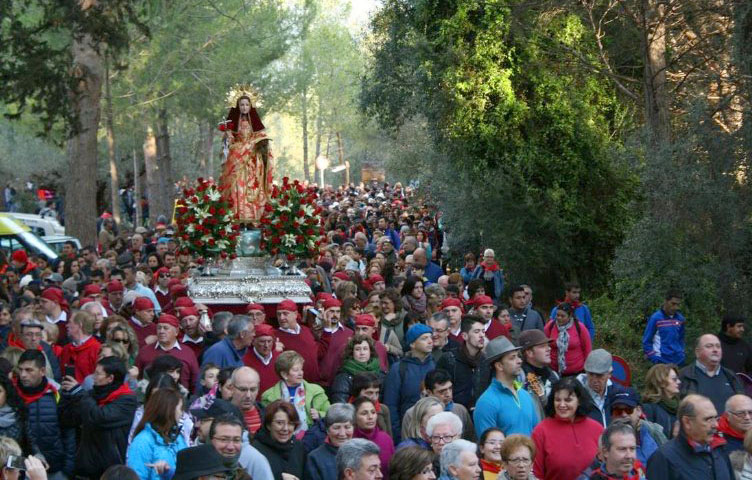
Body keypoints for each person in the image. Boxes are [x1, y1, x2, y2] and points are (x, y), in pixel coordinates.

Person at [59, 356, 138, 479]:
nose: (92, 377)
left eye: (97, 374)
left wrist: (79, 393)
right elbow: (68, 420)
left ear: (110, 378)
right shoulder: (90, 395)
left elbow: (100, 418)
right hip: (86, 466)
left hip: (110, 469)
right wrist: (67, 395)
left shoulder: (127, 400)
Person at [13, 349, 75, 478]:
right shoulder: (12, 395)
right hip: (20, 467)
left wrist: (68, 468)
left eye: (29, 370)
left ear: (42, 371)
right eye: (21, 369)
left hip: (55, 467)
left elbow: (69, 432)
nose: (23, 375)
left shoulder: (56, 393)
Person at [646, 394, 734, 480]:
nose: (716, 425)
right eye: (708, 419)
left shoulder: (719, 450)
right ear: (687, 422)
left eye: (715, 418)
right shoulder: (663, 458)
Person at [531, 377, 603, 480]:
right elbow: (535, 474)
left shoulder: (597, 429)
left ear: (579, 401)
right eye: (558, 400)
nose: (562, 404)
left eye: (568, 400)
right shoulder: (541, 431)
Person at [218, 89, 273, 222]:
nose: (244, 107)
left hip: (252, 162)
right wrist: (226, 136)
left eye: (246, 105)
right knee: (236, 186)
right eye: (241, 105)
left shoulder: (255, 124)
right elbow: (229, 141)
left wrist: (258, 145)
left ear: (250, 106)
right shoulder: (233, 124)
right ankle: (236, 214)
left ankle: (252, 216)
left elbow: (261, 138)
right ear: (238, 106)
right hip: (236, 160)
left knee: (252, 187)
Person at [473, 336, 538, 438]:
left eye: (518, 356)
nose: (519, 361)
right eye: (512, 358)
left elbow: (537, 435)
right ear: (499, 366)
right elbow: (488, 446)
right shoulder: (487, 402)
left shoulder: (525, 395)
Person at [384, 323, 435, 441]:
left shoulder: (435, 365)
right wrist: (398, 437)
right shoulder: (399, 369)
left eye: (430, 337)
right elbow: (391, 405)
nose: (430, 341)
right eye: (424, 338)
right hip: (408, 431)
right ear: (412, 344)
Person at [261, 351, 330, 433]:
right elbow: (266, 422)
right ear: (284, 374)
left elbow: (331, 414)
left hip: (310, 438)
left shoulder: (316, 391)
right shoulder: (268, 396)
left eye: (301, 369)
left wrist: (319, 414)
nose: (301, 373)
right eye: (296, 370)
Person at [127, 388, 189, 480]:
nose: (181, 413)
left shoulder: (178, 438)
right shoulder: (142, 441)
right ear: (168, 410)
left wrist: (169, 473)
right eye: (180, 409)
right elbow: (136, 476)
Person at [679, 333, 743, 413]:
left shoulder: (731, 376)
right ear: (697, 352)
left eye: (718, 346)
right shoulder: (684, 376)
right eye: (709, 346)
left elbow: (742, 406)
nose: (715, 350)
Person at [436, 315, 490, 410]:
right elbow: (439, 390)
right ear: (464, 336)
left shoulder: (486, 361)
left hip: (481, 412)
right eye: (476, 332)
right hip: (455, 413)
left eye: (483, 331)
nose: (482, 335)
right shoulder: (449, 359)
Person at [135, 313, 199, 391]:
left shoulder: (188, 353)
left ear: (176, 331)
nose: (161, 331)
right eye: (159, 328)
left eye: (165, 328)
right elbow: (137, 379)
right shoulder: (145, 351)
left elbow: (195, 382)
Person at [609, 388, 667, 465]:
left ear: (639, 411)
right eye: (618, 411)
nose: (624, 415)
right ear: (612, 415)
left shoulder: (653, 432)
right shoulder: (606, 440)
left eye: (628, 410)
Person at [251, 400, 306, 480]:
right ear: (268, 425)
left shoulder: (298, 447)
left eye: (290, 423)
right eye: (280, 423)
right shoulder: (256, 450)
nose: (285, 429)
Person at [577, 422, 646, 480]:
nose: (629, 455)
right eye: (622, 449)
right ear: (605, 452)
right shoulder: (589, 477)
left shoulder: (641, 476)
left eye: (632, 449)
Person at [304, 403, 356, 480]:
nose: (342, 433)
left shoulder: (362, 453)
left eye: (347, 427)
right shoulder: (315, 458)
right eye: (336, 427)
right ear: (327, 430)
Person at [273, 300, 320, 383]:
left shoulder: (307, 331)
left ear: (295, 314)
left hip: (314, 385)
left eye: (285, 313)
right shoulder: (275, 337)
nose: (281, 318)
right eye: (279, 314)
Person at [517, 329, 559, 420]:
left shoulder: (553, 376)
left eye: (548, 345)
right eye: (543, 346)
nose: (549, 349)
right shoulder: (519, 378)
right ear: (529, 353)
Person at [331, 335, 384, 404]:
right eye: (358, 349)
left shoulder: (380, 373)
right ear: (351, 352)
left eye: (365, 349)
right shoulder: (343, 377)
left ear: (370, 351)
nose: (362, 353)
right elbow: (340, 404)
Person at [423, 369, 474, 441]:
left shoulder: (460, 410)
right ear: (429, 392)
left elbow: (470, 439)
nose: (448, 394)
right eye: (442, 391)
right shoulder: (414, 413)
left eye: (450, 388)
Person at [577, 349, 622, 427]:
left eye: (599, 375)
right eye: (591, 374)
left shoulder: (617, 393)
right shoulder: (576, 394)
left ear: (609, 374)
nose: (594, 380)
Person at [545, 302, 591, 376]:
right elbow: (544, 344)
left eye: (563, 316)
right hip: (553, 370)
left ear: (570, 316)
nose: (559, 318)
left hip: (576, 372)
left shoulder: (579, 327)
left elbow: (587, 348)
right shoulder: (551, 326)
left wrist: (588, 367)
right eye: (558, 315)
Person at [353, 396, 395, 477]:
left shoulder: (386, 438)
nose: (370, 417)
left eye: (373, 412)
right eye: (364, 413)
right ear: (354, 417)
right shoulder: (350, 441)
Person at [642, 290, 686, 365]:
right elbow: (646, 341)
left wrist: (681, 353)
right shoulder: (655, 318)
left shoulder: (680, 319)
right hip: (661, 361)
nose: (675, 307)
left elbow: (681, 339)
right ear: (666, 301)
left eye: (678, 305)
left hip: (678, 361)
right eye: (673, 304)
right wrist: (654, 358)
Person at [641, 363, 681, 439]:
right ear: (661, 382)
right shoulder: (649, 409)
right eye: (674, 379)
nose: (679, 382)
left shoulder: (680, 408)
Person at [60, 310, 101, 382]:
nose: (67, 325)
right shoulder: (66, 349)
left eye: (70, 322)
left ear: (80, 325)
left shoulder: (97, 349)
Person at [206, 415, 252, 480]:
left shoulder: (244, 477)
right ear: (211, 441)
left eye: (236, 440)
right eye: (223, 439)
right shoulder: (193, 473)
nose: (231, 447)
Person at [351, 372, 393, 436]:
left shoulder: (383, 409)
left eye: (377, 393)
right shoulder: (348, 412)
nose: (374, 398)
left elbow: (389, 436)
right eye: (369, 393)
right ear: (357, 393)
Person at [242, 323, 280, 394]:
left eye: (269, 341)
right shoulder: (244, 360)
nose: (266, 345)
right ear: (253, 342)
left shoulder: (279, 358)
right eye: (262, 341)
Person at [226, 367, 264, 435]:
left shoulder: (267, 414)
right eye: (243, 390)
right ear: (231, 388)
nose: (248, 395)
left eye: (253, 390)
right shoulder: (221, 414)